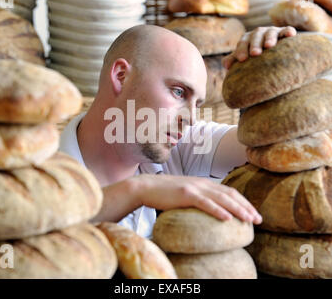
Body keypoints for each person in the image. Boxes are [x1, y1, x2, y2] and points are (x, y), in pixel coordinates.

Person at [59, 25, 297, 238]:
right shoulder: (41, 167)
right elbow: (42, 236)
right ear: (122, 77)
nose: (191, 118)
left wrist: (281, 62)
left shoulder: (181, 144)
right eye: (179, 92)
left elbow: (283, 140)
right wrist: (137, 191)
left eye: (198, 104)